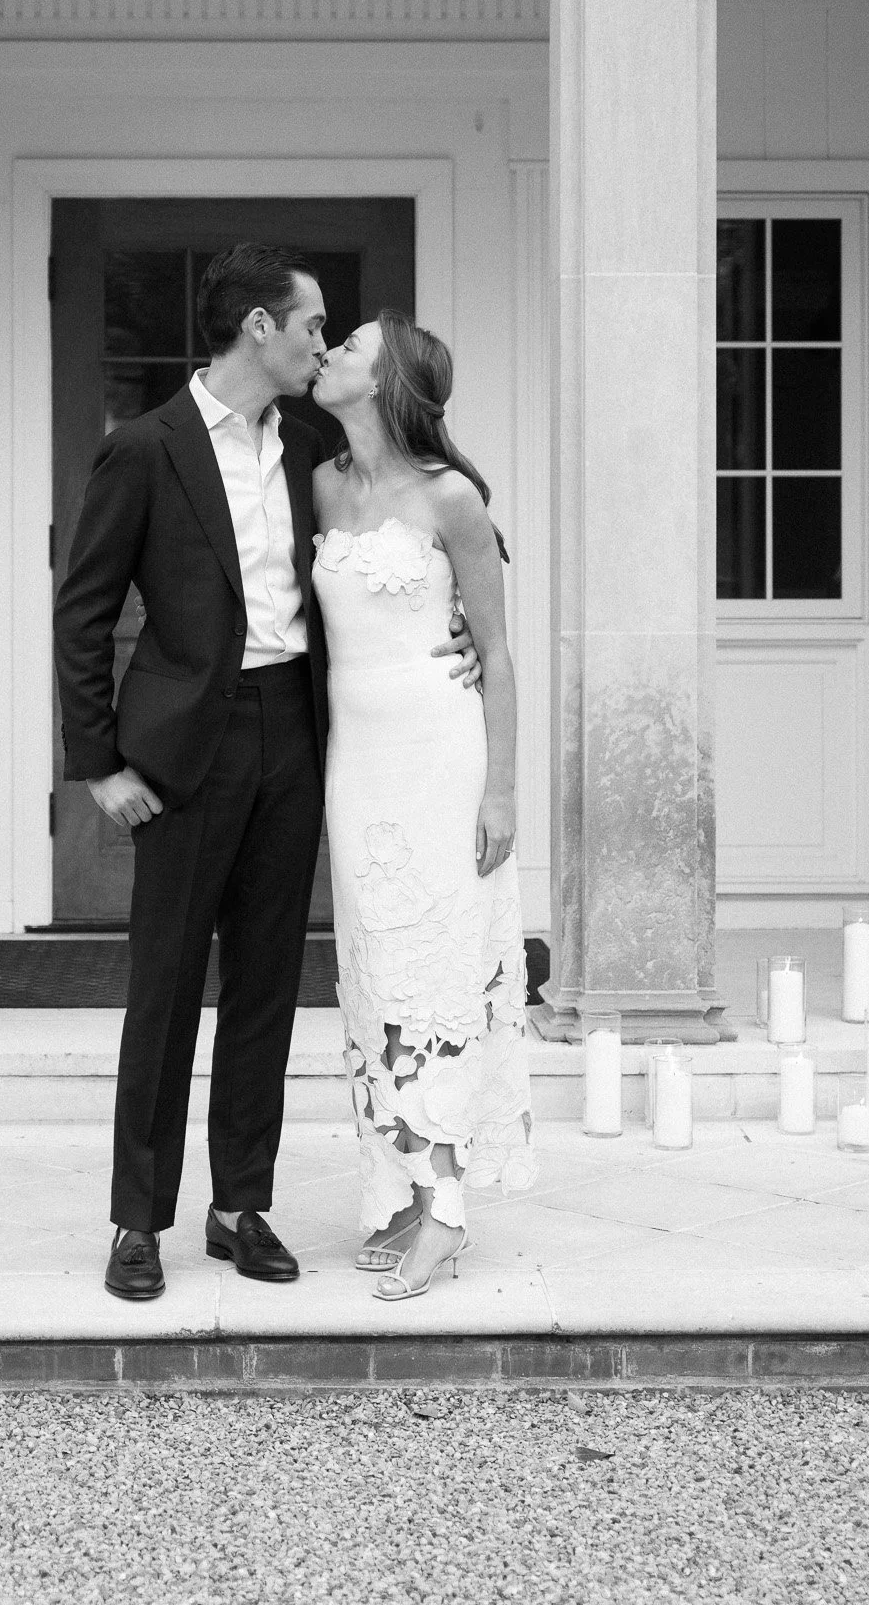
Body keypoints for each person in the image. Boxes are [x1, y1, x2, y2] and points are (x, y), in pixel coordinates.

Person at [53, 246, 477, 1301]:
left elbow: (415, 526)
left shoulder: (314, 452)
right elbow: (84, 610)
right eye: (309, 324)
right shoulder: (145, 449)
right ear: (257, 328)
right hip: (185, 748)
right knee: (164, 988)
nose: (321, 342)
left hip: (296, 729)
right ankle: (137, 1219)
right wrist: (97, 762)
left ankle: (241, 1203)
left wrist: (458, 625)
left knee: (266, 985)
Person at [311, 311, 536, 1301]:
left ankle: (447, 1209)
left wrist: (503, 792)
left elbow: (496, 654)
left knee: (437, 969)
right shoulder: (320, 484)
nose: (331, 357)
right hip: (355, 766)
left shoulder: (452, 499)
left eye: (351, 349)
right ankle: (403, 1184)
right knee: (376, 977)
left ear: (389, 381)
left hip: (441, 760)